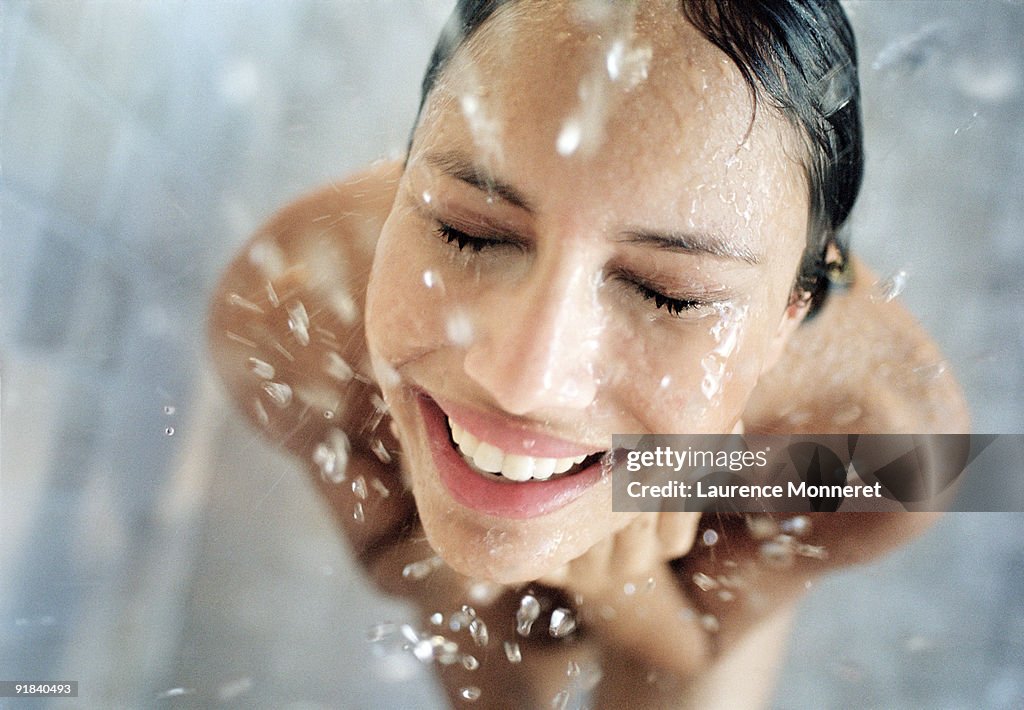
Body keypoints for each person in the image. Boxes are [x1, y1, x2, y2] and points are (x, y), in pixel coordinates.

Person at [207, 1, 969, 707]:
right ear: (406, 176)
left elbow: (691, 649)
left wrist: (624, 586)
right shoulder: (286, 313)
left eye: (671, 294)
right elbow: (392, 567)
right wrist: (495, 537)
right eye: (469, 233)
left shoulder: (882, 446)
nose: (522, 379)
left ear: (784, 319)